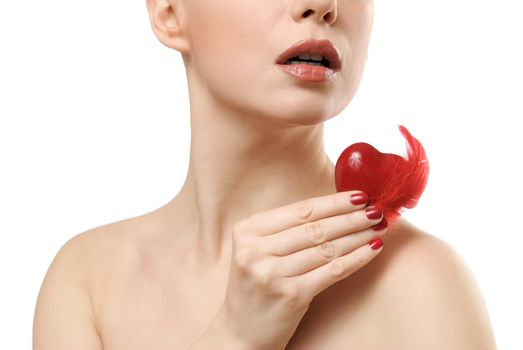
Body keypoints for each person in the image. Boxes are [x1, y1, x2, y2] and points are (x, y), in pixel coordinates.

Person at [33, 0, 497, 349]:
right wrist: (234, 336)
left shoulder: (419, 283)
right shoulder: (87, 280)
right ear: (171, 13)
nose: (321, 5)